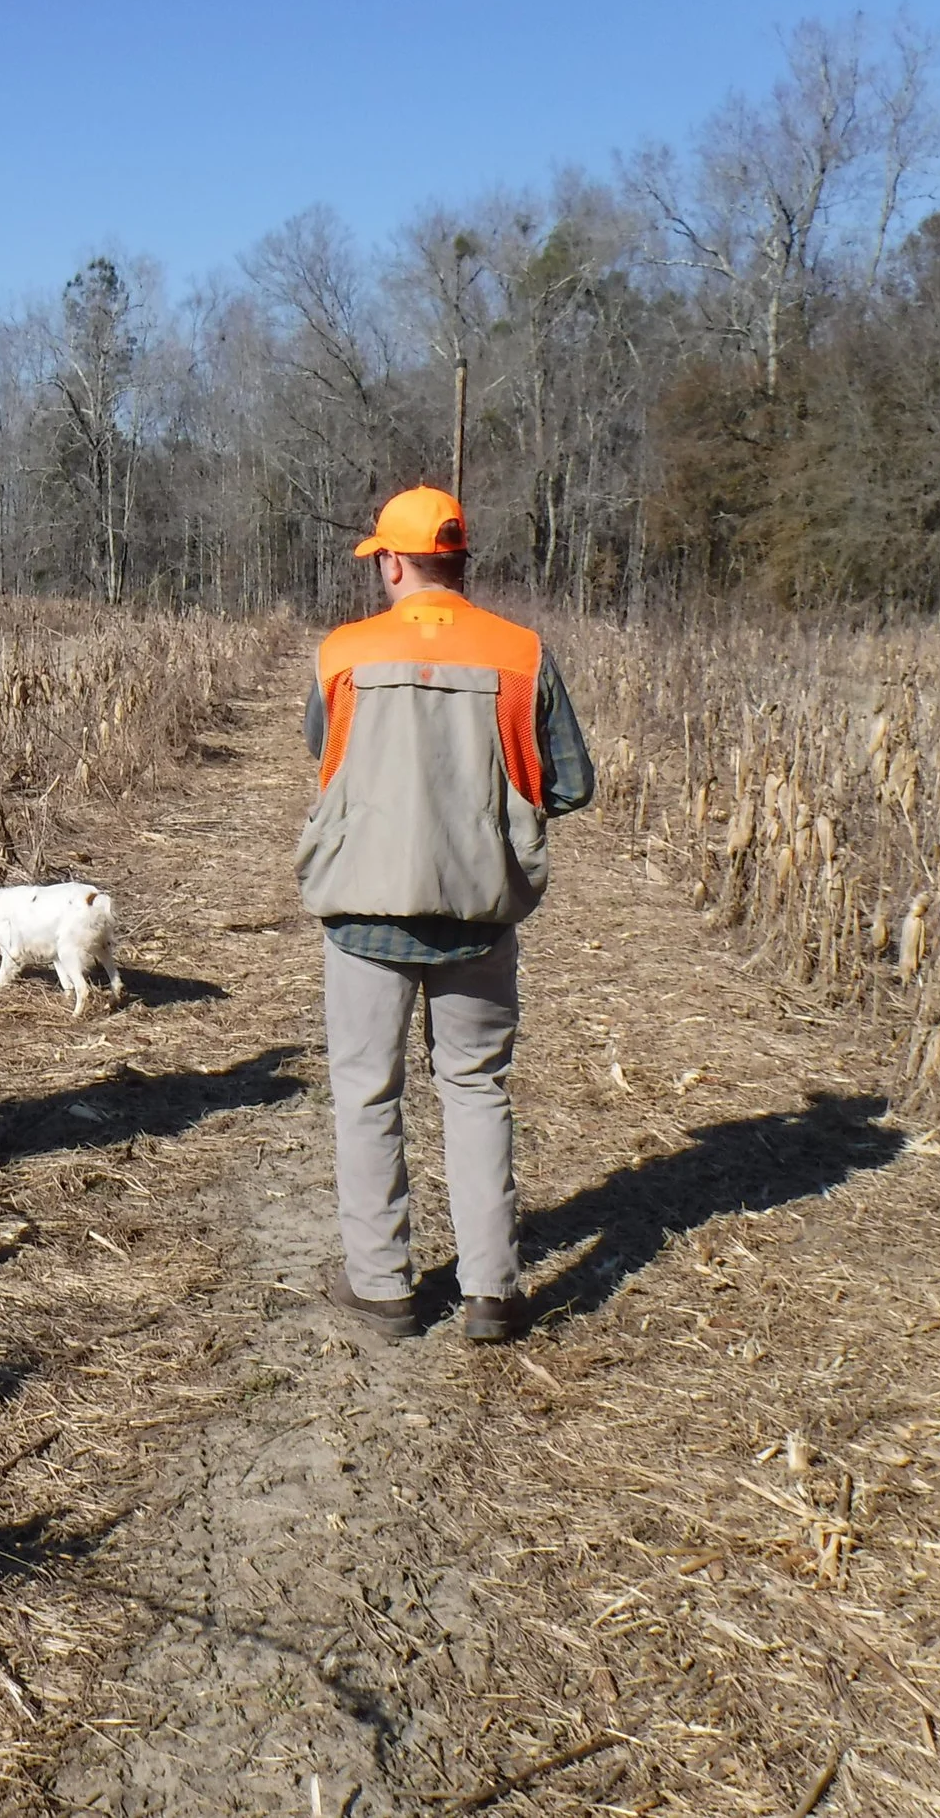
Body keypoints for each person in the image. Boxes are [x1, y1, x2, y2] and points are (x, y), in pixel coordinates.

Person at [295, 486, 594, 1342]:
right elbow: (571, 783)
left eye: (379, 560)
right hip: (478, 911)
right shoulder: (521, 652)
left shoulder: (344, 653)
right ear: (460, 561)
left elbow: (324, 751)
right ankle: (491, 1292)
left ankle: (382, 1287)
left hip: (364, 912)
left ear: (393, 562)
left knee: (366, 1092)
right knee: (475, 1088)